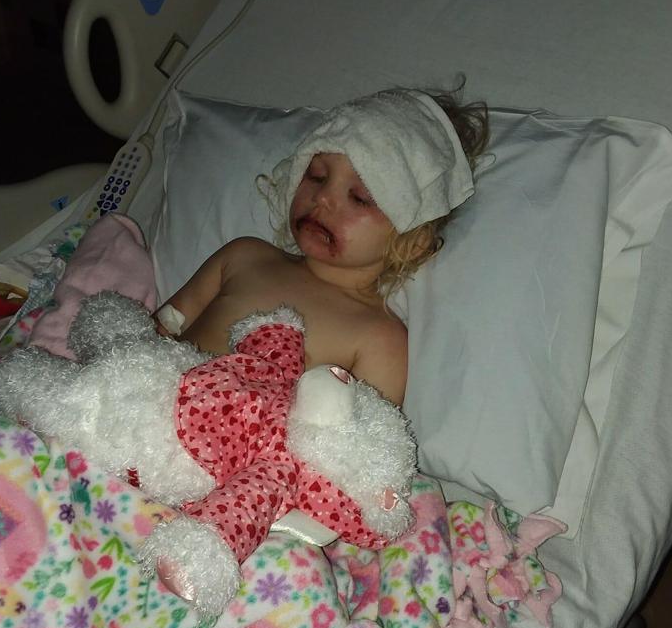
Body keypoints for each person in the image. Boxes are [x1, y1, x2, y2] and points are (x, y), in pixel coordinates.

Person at [156, 87, 488, 406]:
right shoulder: (244, 257)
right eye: (316, 176)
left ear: (413, 242)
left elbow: (364, 438)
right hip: (146, 412)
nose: (323, 198)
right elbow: (160, 329)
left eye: (360, 197)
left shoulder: (377, 338)